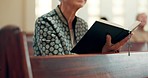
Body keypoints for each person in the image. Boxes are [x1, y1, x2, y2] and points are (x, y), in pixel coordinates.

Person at [33, 0, 132, 56]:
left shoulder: (82, 24)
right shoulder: (45, 22)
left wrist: (103, 52)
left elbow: (88, 56)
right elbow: (57, 64)